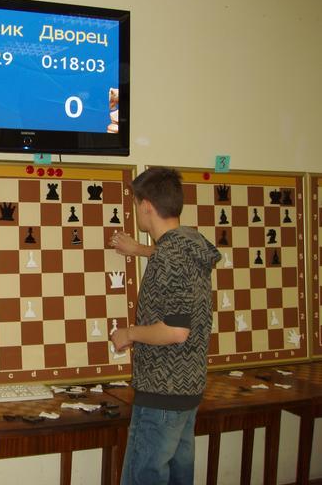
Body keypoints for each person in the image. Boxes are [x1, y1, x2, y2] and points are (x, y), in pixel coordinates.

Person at [109, 167, 220, 485]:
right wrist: (140, 250)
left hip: (161, 391)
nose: (136, 211)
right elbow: (170, 259)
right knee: (178, 477)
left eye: (136, 204)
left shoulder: (169, 257)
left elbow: (175, 331)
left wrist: (129, 334)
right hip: (187, 389)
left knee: (144, 477)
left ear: (146, 206)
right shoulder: (190, 244)